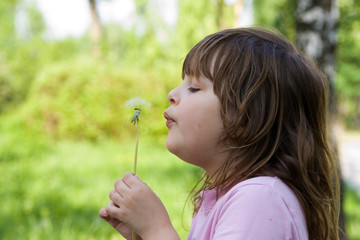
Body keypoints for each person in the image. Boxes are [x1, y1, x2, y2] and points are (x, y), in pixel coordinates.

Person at [99, 27, 340, 240]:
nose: (172, 93)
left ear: (245, 119)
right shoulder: (236, 198)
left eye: (194, 87)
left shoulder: (259, 200)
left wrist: (156, 229)